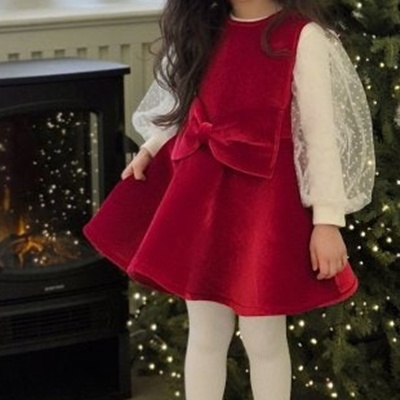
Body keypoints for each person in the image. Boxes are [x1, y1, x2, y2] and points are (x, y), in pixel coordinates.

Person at [84, 0, 375, 399]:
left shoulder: (302, 36)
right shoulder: (203, 30)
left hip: (263, 207)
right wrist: (151, 147)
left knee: (263, 336)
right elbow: (185, 106)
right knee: (206, 331)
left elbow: (319, 135)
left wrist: (327, 220)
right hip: (202, 200)